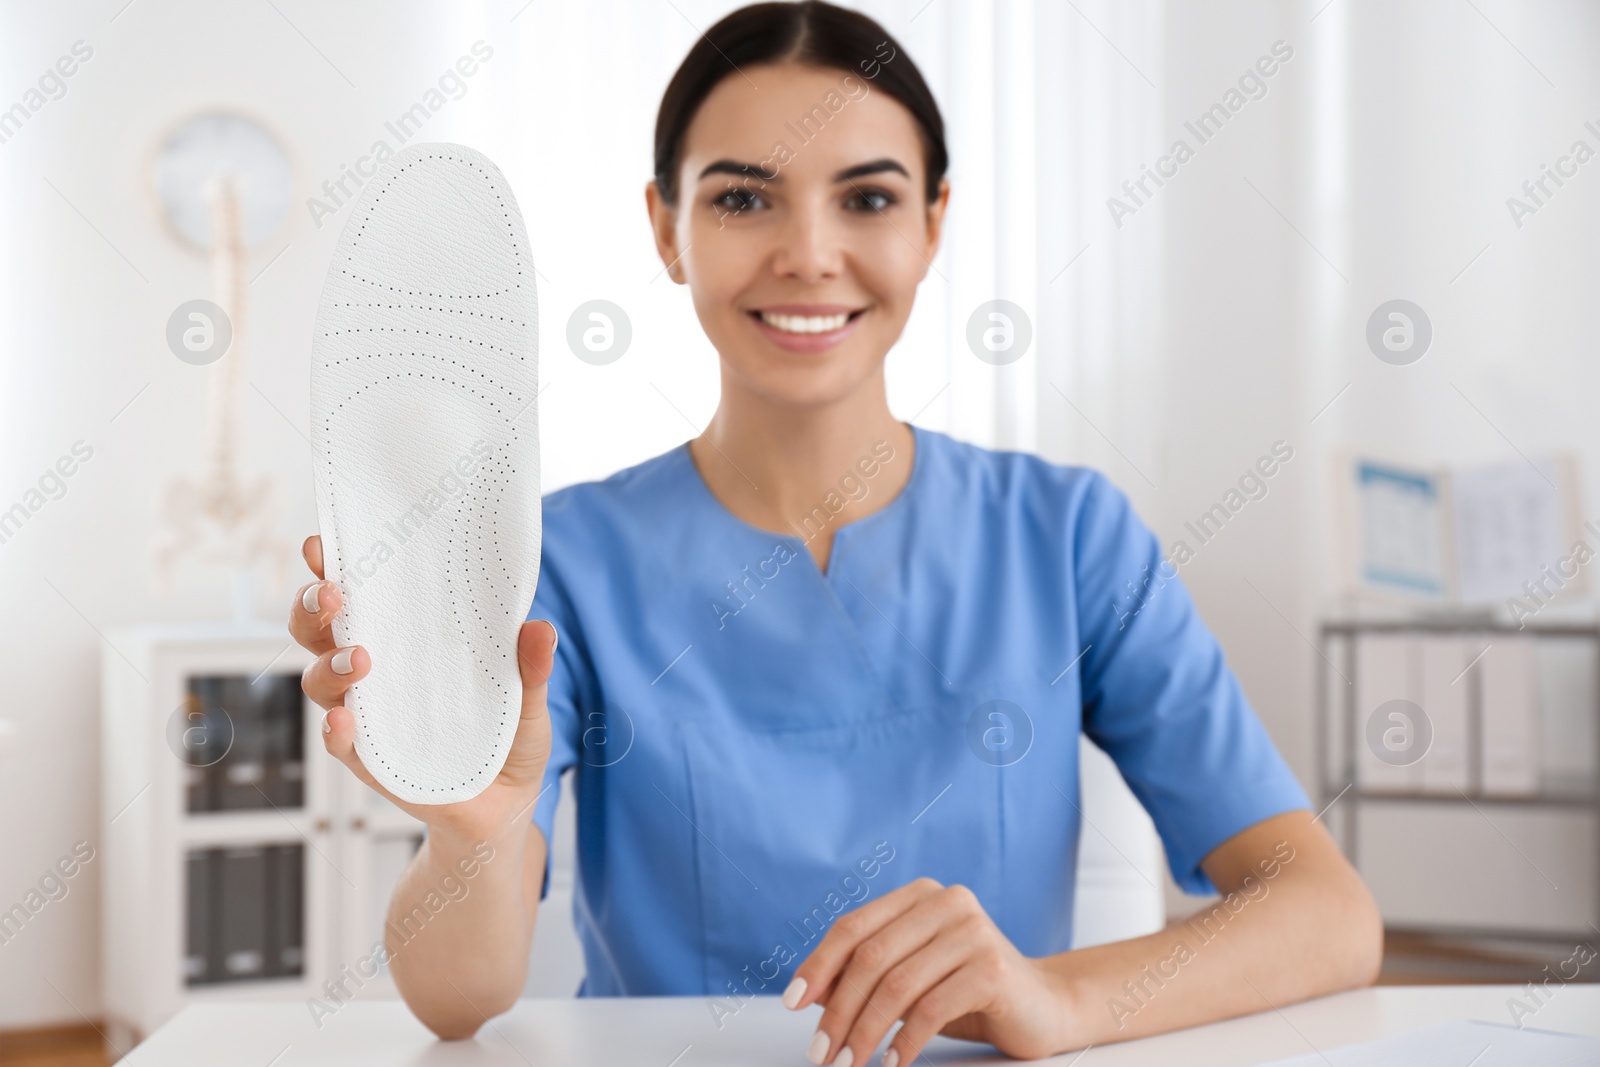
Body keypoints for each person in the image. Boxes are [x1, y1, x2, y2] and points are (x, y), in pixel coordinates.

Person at [290, 1, 1382, 1061]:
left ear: (932, 225)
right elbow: (456, 1003)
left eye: (866, 199)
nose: (809, 254)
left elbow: (1327, 912)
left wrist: (1059, 995)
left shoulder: (1066, 535)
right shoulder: (560, 562)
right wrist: (470, 832)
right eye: (741, 200)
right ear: (665, 229)